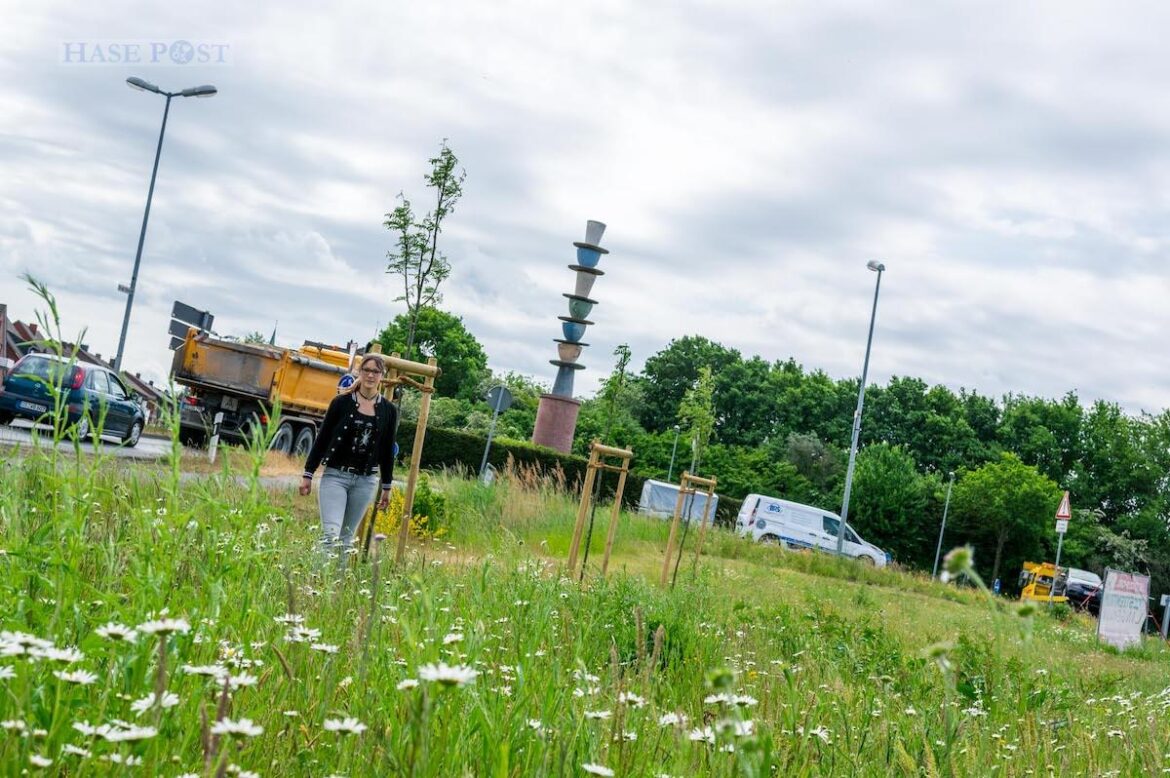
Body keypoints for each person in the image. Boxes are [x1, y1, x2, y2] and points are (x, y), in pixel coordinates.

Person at [300, 354, 398, 564]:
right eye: (367, 370)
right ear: (360, 372)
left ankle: (336, 588)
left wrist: (387, 486)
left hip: (365, 480)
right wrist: (308, 473)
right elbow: (323, 438)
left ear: (382, 376)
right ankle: (316, 581)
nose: (371, 375)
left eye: (376, 371)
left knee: (346, 539)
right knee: (331, 534)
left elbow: (387, 450)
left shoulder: (389, 411)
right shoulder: (341, 403)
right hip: (336, 476)